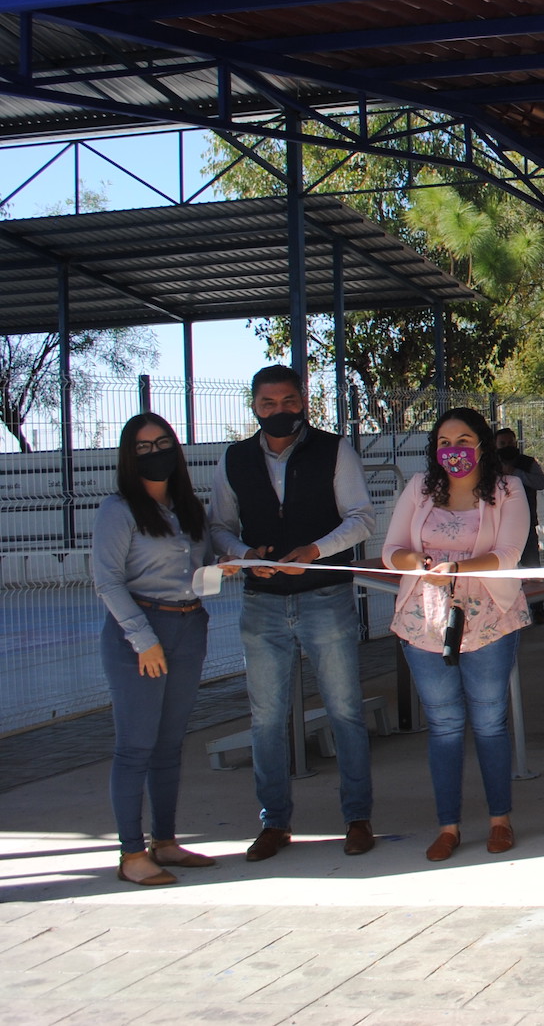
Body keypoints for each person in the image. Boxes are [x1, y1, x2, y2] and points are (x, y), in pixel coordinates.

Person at [211, 364, 378, 862]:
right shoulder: (234, 459)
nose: (278, 410)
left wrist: (315, 550)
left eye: (287, 401)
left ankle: (358, 818)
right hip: (261, 604)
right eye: (268, 403)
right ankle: (275, 823)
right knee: (266, 719)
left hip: (325, 597)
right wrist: (244, 554)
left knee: (345, 711)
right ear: (254, 407)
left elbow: (362, 519)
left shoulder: (334, 449)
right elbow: (219, 527)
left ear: (303, 401)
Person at [382, 408, 531, 862]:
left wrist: (458, 568)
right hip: (424, 621)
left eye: (464, 440)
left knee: (489, 722)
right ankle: (447, 827)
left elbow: (508, 553)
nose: (453, 451)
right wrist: (418, 565)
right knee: (444, 726)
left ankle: (500, 820)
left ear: (482, 444)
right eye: (444, 443)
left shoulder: (508, 489)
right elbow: (391, 550)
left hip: (488, 619)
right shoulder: (419, 488)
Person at [91, 414, 222, 886]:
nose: (155, 453)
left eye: (163, 443)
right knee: (135, 747)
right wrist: (143, 640)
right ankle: (131, 854)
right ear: (129, 457)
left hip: (188, 627)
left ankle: (164, 842)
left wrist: (224, 566)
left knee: (169, 745)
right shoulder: (119, 510)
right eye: (143, 447)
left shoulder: (188, 507)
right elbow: (107, 580)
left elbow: (200, 565)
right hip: (141, 634)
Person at [493, 427, 544, 568]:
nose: (507, 446)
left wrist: (515, 473)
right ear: (495, 445)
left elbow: (541, 483)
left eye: (511, 443)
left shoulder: (527, 463)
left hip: (526, 522)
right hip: (497, 524)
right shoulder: (490, 465)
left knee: (531, 565)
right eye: (502, 444)